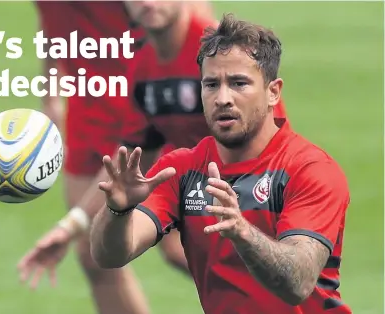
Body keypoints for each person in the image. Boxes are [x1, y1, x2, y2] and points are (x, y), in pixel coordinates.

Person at [90, 13, 352, 314]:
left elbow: (298, 282)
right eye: (211, 84)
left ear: (272, 92)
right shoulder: (182, 170)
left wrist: (242, 231)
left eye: (239, 83)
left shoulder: (308, 169)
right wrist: (118, 211)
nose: (222, 98)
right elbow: (109, 256)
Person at [18, 2, 216, 314]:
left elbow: (186, 15)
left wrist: (205, 75)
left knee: (186, 246)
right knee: (95, 254)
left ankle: (282, 297)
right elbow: (51, 19)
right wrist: (51, 93)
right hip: (88, 108)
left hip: (146, 99)